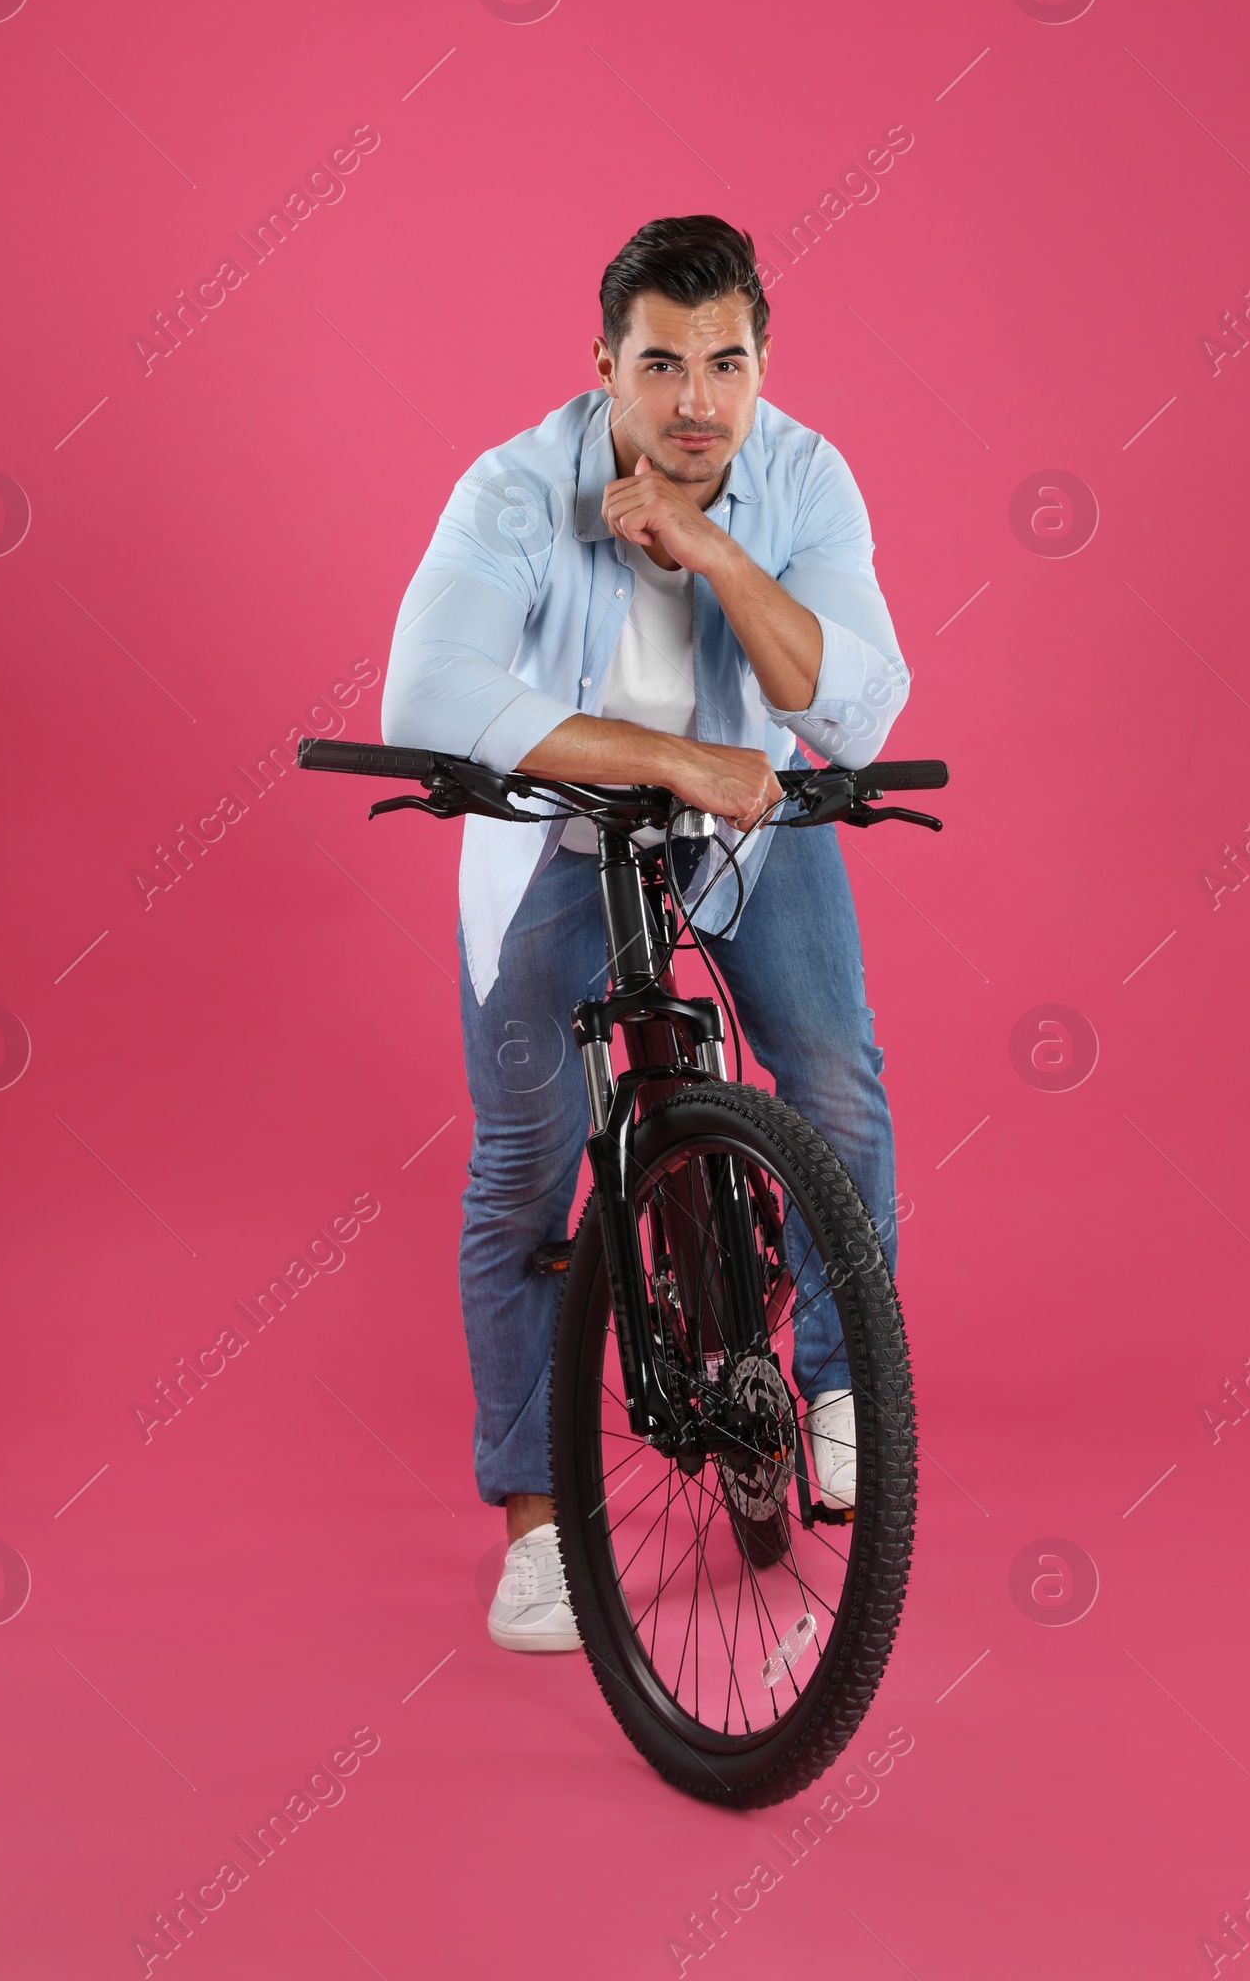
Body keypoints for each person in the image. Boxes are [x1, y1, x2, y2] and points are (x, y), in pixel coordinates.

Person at [381, 215, 910, 1650]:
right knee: (525, 1174)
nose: (695, 400)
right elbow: (423, 699)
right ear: (604, 366)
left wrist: (705, 547)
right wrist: (665, 760)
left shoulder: (803, 476)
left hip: (748, 819)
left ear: (760, 365)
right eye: (661, 363)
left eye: (725, 363)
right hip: (561, 824)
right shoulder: (510, 490)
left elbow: (855, 708)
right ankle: (541, 1524)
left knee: (838, 1076)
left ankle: (842, 1379)